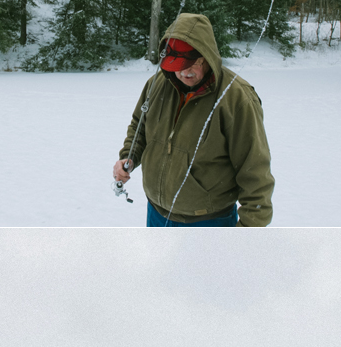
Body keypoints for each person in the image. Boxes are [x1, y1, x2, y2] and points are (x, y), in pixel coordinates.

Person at [113, 13, 274, 226]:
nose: (183, 73)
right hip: (156, 212)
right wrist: (129, 156)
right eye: (176, 65)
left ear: (206, 56)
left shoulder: (237, 99)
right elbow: (139, 125)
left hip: (209, 221)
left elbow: (255, 172)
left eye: (191, 64)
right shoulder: (158, 83)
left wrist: (247, 233)